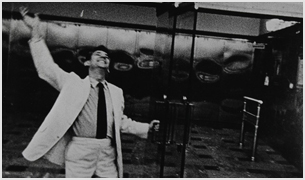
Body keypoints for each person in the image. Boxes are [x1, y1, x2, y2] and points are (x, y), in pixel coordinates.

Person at [19, 7, 159, 178]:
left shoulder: (116, 92)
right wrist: (36, 32)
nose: (103, 56)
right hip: (80, 150)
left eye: (106, 57)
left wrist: (147, 128)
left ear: (109, 67)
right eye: (97, 54)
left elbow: (120, 122)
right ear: (87, 63)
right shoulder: (72, 83)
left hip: (107, 152)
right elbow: (46, 68)